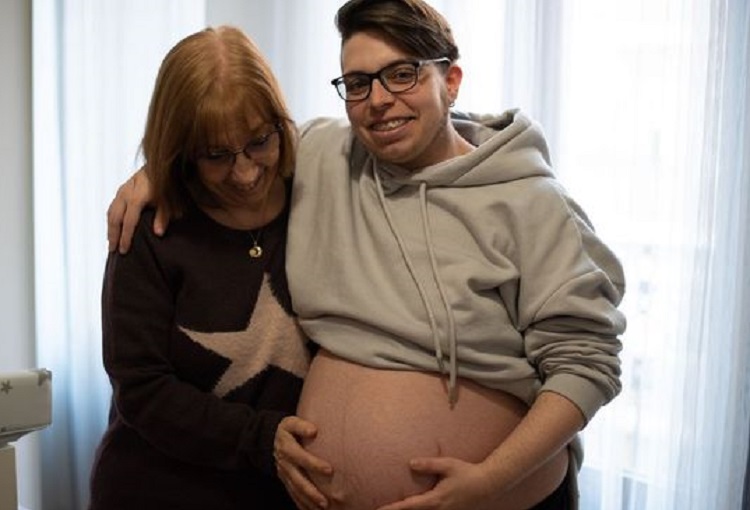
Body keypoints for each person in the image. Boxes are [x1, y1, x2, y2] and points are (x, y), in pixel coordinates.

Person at [107, 1, 626, 509]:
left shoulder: (531, 202)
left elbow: (587, 363)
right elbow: (233, 134)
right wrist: (159, 172)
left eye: (402, 74)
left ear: (450, 81)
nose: (378, 99)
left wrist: (488, 481)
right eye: (358, 83)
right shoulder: (324, 156)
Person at [89, 26, 312, 510]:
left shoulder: (318, 191)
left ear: (280, 124)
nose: (245, 173)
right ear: (180, 149)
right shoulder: (149, 229)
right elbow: (142, 389)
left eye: (259, 142)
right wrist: (261, 438)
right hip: (158, 492)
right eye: (216, 155)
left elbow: (429, 131)